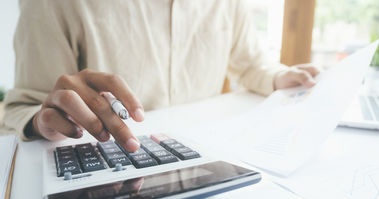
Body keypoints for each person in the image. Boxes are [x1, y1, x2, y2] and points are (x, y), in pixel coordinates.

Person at [3, 0, 319, 153]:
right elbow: (22, 108)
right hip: (111, 161)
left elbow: (250, 62)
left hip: (205, 154)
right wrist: (43, 120)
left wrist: (280, 76)